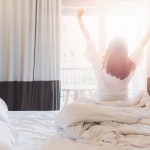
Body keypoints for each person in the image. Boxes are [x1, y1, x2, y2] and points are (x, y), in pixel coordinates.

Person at [77, 8, 150, 101]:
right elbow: (143, 42)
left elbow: (87, 37)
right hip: (124, 103)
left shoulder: (99, 62)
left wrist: (78, 18)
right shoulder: (131, 64)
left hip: (100, 102)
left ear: (109, 49)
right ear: (126, 51)